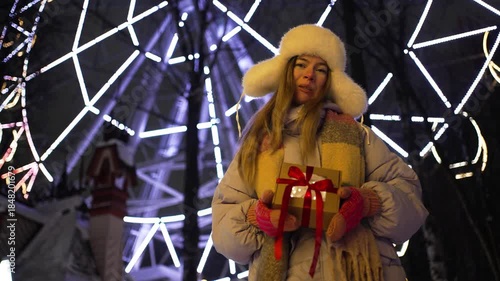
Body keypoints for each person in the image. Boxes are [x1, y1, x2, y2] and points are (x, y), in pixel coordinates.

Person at [211, 24, 428, 281]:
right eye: (301, 65)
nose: (309, 75)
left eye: (321, 69)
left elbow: (411, 200)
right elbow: (223, 225)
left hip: (360, 270)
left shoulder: (358, 135)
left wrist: (369, 202)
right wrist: (256, 217)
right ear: (285, 70)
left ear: (330, 81)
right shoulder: (258, 144)